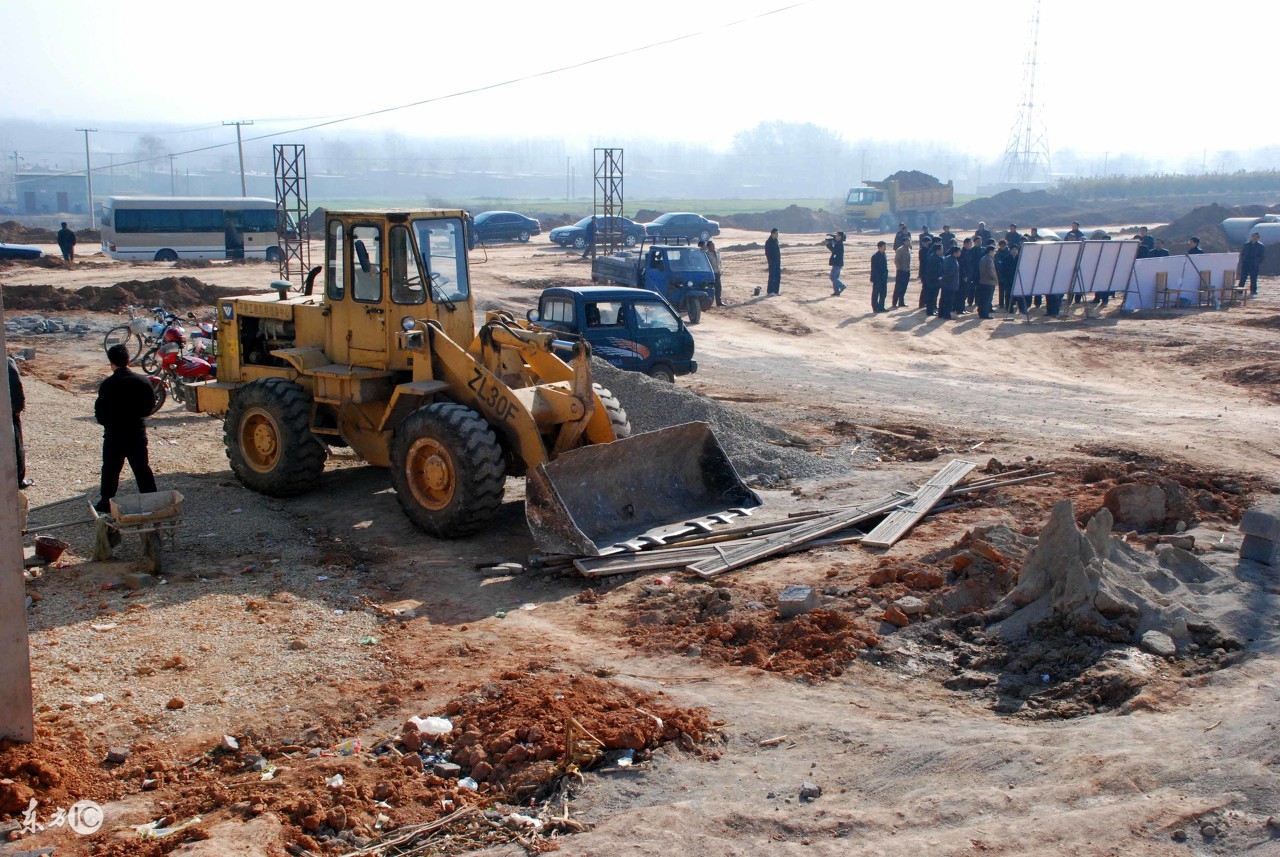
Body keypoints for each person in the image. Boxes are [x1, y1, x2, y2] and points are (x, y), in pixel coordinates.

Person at [94, 344, 158, 514]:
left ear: (111, 363)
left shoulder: (107, 385)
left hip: (114, 435)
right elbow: (150, 407)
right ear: (129, 361)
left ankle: (106, 502)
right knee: (142, 467)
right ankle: (152, 500)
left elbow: (99, 414)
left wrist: (110, 423)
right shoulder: (143, 381)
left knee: (110, 469)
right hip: (136, 432)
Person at [8, 355, 27, 489]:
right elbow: (15, 388)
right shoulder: (7, 362)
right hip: (7, 412)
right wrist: (17, 409)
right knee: (15, 445)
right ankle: (17, 480)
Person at [938, 246, 962, 319]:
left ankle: (941, 313)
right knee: (949, 300)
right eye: (959, 252)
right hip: (951, 283)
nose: (960, 253)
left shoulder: (947, 258)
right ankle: (946, 315)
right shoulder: (953, 261)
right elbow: (951, 273)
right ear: (955, 252)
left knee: (943, 299)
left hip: (945, 283)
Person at [977, 244, 998, 319]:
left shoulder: (983, 258)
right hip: (989, 282)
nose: (994, 253)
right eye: (994, 251)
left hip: (983, 281)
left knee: (983, 299)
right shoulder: (989, 260)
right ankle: (985, 314)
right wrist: (995, 279)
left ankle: (981, 313)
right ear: (990, 251)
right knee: (987, 299)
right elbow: (990, 272)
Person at [922, 243, 944, 315]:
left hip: (934, 281)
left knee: (933, 296)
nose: (942, 251)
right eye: (941, 249)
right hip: (933, 281)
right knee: (932, 297)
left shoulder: (937, 257)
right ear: (937, 250)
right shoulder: (934, 259)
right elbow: (934, 271)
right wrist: (938, 277)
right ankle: (930, 311)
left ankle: (931, 310)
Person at [995, 239, 1015, 311]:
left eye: (1004, 245)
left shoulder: (1009, 252)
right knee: (1001, 290)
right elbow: (997, 263)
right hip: (1000, 273)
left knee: (1008, 291)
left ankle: (1009, 303)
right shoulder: (997, 253)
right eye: (1001, 245)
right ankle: (1001, 303)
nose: (1002, 246)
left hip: (1008, 274)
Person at [892, 237, 912, 308]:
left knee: (904, 287)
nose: (909, 242)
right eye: (907, 241)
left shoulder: (909, 250)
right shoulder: (900, 250)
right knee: (898, 287)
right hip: (901, 271)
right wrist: (899, 269)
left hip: (907, 271)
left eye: (909, 241)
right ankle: (894, 302)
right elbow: (896, 261)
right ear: (904, 242)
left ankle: (901, 302)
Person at [870, 241, 888, 312]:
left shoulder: (884, 255)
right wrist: (875, 278)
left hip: (883, 277)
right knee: (876, 293)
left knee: (883, 293)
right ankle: (875, 308)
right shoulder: (875, 256)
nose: (885, 248)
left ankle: (881, 307)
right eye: (884, 247)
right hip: (877, 278)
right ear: (880, 247)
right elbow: (874, 269)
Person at [705, 239, 724, 306]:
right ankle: (709, 303)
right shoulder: (706, 255)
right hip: (711, 274)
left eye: (713, 245)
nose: (713, 247)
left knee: (718, 288)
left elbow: (720, 262)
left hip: (718, 272)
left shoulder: (717, 252)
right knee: (711, 289)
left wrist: (721, 270)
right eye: (711, 246)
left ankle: (719, 302)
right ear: (708, 247)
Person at [826, 231, 846, 295]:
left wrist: (829, 245)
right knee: (835, 277)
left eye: (837, 236)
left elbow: (834, 251)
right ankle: (837, 291)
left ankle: (842, 285)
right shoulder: (839, 243)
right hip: (838, 262)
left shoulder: (839, 244)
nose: (836, 237)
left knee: (832, 277)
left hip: (837, 263)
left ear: (840, 237)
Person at [916, 235, 933, 306]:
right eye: (928, 242)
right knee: (925, 287)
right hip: (924, 271)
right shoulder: (922, 250)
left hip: (927, 271)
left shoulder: (929, 250)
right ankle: (922, 302)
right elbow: (924, 261)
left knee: (927, 287)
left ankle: (925, 301)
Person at [764, 228, 781, 295]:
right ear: (772, 233)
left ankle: (776, 291)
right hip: (772, 262)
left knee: (778, 276)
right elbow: (767, 252)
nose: (777, 235)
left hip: (777, 261)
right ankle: (770, 291)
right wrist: (771, 260)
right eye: (776, 233)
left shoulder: (776, 241)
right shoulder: (768, 242)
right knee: (772, 276)